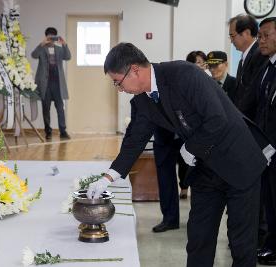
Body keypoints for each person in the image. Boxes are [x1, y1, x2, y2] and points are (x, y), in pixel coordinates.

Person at [87, 42, 272, 267]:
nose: (119, 88)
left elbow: (217, 119)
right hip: (205, 167)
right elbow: (134, 140)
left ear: (134, 70)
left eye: (118, 81)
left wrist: (191, 147)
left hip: (239, 162)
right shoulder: (143, 100)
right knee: (198, 239)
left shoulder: (184, 74)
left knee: (241, 244)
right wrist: (108, 178)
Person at [255, 17, 276, 266]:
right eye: (259, 35)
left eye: (266, 35)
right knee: (270, 202)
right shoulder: (266, 67)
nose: (261, 40)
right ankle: (271, 244)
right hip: (266, 149)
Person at [31, 27, 71, 140]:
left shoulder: (59, 49)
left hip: (57, 84)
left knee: (60, 108)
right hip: (45, 84)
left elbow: (68, 57)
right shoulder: (42, 48)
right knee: (46, 108)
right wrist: (41, 44)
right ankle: (48, 131)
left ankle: (63, 131)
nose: (51, 39)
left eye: (53, 37)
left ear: (55, 37)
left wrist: (64, 44)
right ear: (46, 37)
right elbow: (33, 55)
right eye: (49, 37)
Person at [229, 14, 268, 120]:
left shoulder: (260, 55)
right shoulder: (244, 58)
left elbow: (252, 94)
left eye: (233, 36)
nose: (231, 41)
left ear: (246, 33)